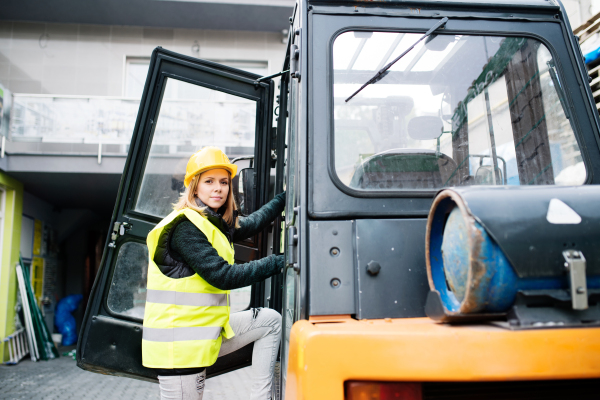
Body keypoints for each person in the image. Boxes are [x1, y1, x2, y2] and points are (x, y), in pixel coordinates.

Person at [142, 147, 285, 400]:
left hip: (204, 334)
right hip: (180, 350)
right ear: (195, 187)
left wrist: (284, 198)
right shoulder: (186, 227)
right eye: (209, 181)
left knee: (269, 321)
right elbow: (223, 276)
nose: (218, 188)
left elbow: (251, 223)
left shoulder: (214, 222)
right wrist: (281, 261)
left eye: (224, 182)